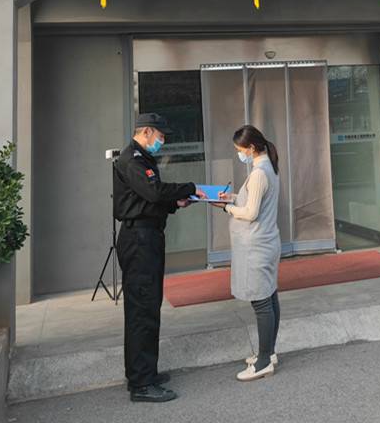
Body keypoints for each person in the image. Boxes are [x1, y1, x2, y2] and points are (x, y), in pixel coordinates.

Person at [113, 112, 203, 403]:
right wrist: (189, 188)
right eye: (160, 136)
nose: (162, 141)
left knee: (148, 307)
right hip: (139, 240)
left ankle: (144, 373)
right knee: (142, 310)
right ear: (146, 132)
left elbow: (147, 200)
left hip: (146, 236)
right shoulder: (133, 160)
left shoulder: (142, 158)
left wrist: (176, 202)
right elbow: (153, 193)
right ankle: (141, 384)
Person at [211, 124, 282, 382]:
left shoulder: (259, 174)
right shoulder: (267, 167)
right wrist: (230, 198)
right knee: (269, 296)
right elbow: (253, 201)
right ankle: (268, 353)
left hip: (257, 246)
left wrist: (227, 208)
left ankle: (263, 362)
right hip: (266, 241)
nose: (239, 154)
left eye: (240, 150)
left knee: (261, 302)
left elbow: (251, 213)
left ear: (251, 148)